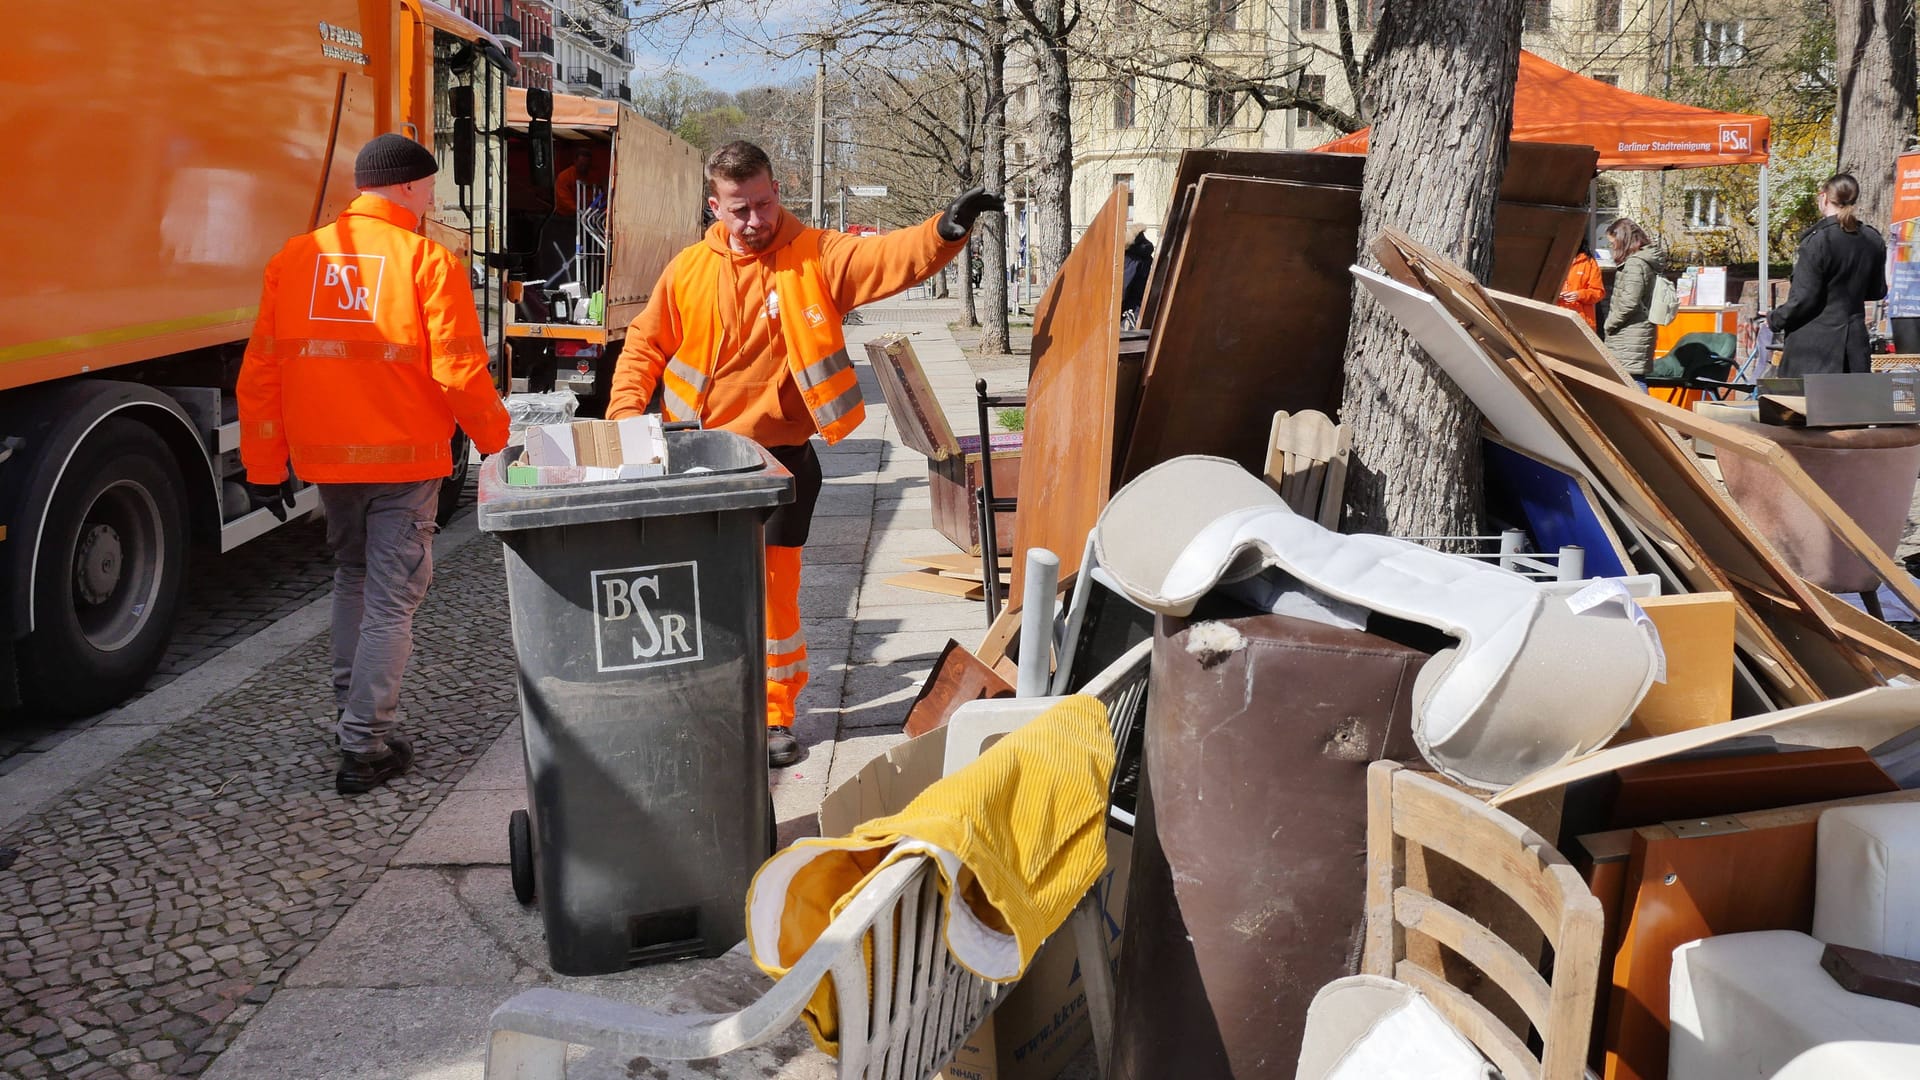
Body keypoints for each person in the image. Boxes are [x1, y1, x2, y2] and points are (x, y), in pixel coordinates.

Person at [607, 140, 1000, 768]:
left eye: (763, 204)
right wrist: (627, 422)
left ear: (776, 193)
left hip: (783, 463)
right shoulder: (687, 270)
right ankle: (706, 704)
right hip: (698, 461)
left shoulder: (814, 255)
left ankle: (773, 715)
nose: (755, 220)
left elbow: (884, 256)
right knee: (695, 594)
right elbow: (643, 348)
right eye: (739, 209)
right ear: (716, 205)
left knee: (773, 596)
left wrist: (942, 232)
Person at [238, 134, 511, 795]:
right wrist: (498, 444)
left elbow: (263, 372)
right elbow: (457, 370)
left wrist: (265, 465)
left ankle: (350, 710)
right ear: (412, 189)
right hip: (405, 459)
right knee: (393, 598)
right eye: (430, 188)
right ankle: (365, 744)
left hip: (328, 461)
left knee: (352, 577)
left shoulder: (295, 259)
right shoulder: (428, 261)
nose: (432, 200)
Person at [1768, 172, 1888, 376]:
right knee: (1851, 408)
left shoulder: (1818, 241)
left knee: (1805, 408)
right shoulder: (1872, 239)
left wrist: (1774, 319)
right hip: (1854, 348)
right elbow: (1877, 291)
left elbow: (1804, 298)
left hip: (1814, 350)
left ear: (1824, 198)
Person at [1602, 217, 1664, 379]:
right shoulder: (1642, 261)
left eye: (1613, 242)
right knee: (1630, 380)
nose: (1612, 247)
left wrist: (1609, 324)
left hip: (1629, 332)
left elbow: (1629, 302)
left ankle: (1647, 406)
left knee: (1632, 380)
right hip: (1635, 332)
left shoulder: (1635, 264)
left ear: (1623, 240)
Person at [1556, 233, 1606, 330]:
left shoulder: (1589, 262)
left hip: (1581, 322)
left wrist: (1580, 295)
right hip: (1555, 318)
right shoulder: (1552, 260)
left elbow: (1598, 292)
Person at [1120, 230, 1155, 326]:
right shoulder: (1144, 254)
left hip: (1129, 311)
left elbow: (1123, 289)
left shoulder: (1131, 258)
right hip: (1139, 308)